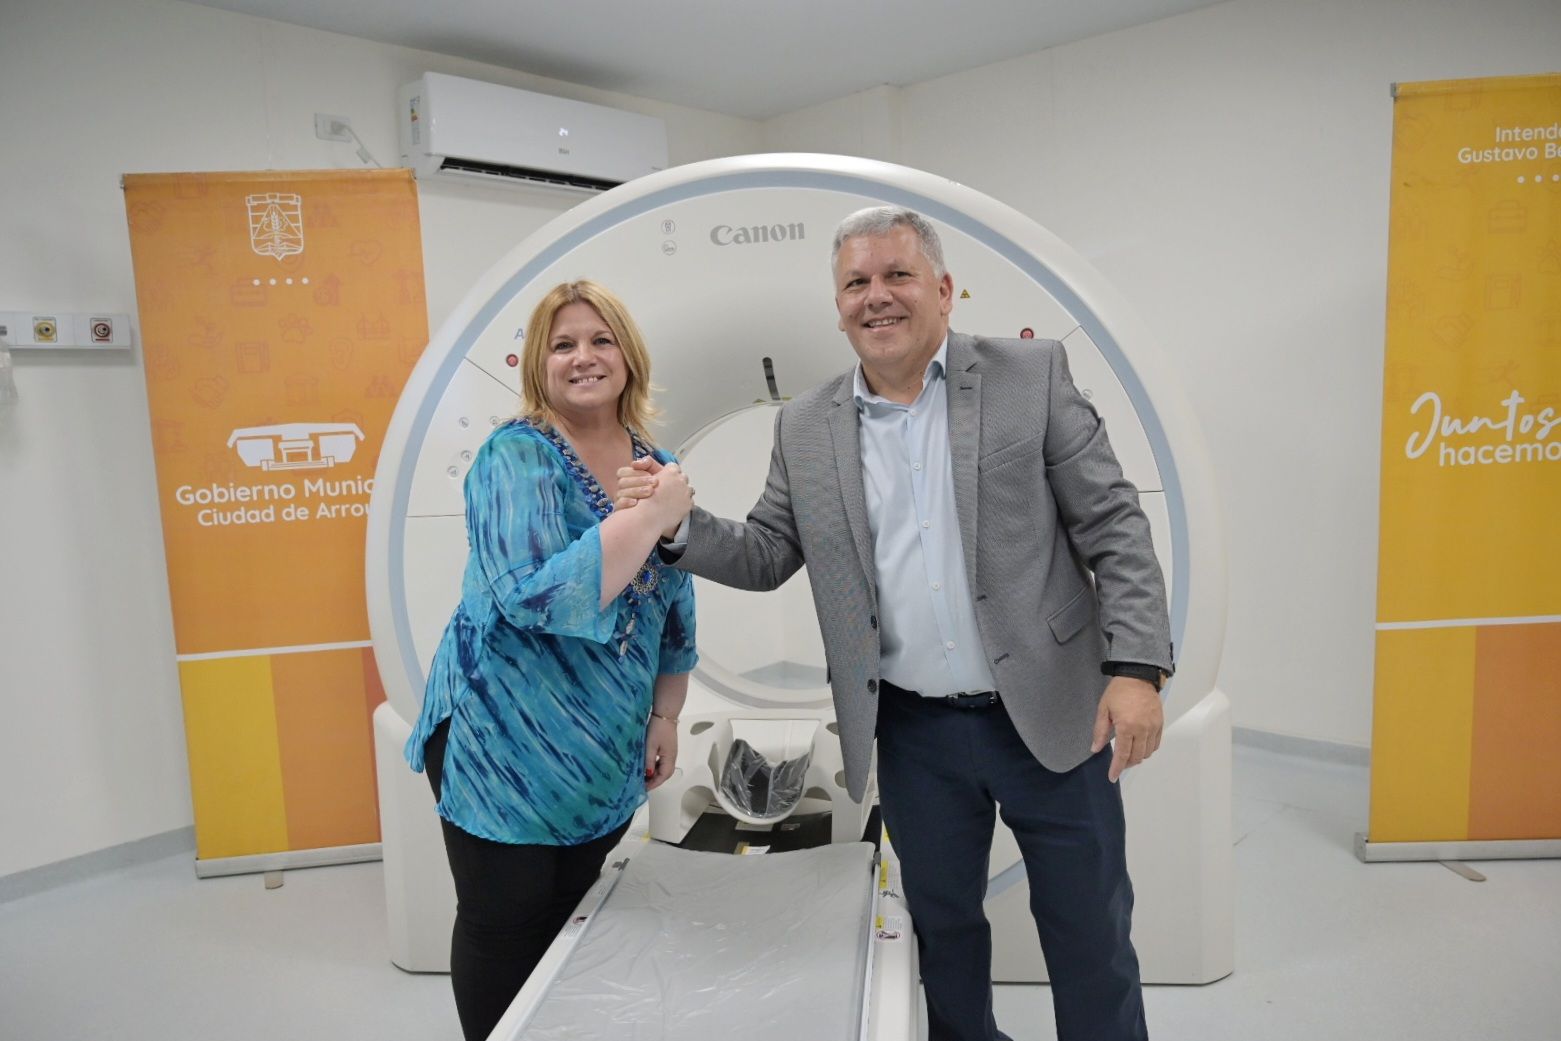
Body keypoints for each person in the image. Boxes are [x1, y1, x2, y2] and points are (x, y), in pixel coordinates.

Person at [620, 207, 1172, 1041]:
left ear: (943, 290)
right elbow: (767, 552)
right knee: (941, 933)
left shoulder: (1029, 376)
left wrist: (1135, 668)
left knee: (1088, 930)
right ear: (838, 305)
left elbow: (1113, 524)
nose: (875, 296)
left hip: (1053, 710)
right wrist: (676, 526)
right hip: (914, 730)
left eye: (896, 275)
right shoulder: (806, 424)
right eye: (856, 282)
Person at [404, 279, 697, 1041]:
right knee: (504, 921)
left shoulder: (655, 464)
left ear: (628, 356)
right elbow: (532, 596)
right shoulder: (515, 457)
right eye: (562, 344)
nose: (583, 357)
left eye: (600, 340)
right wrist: (649, 516)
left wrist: (666, 713)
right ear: (539, 363)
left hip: (603, 741)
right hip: (500, 737)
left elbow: (674, 603)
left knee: (573, 913)